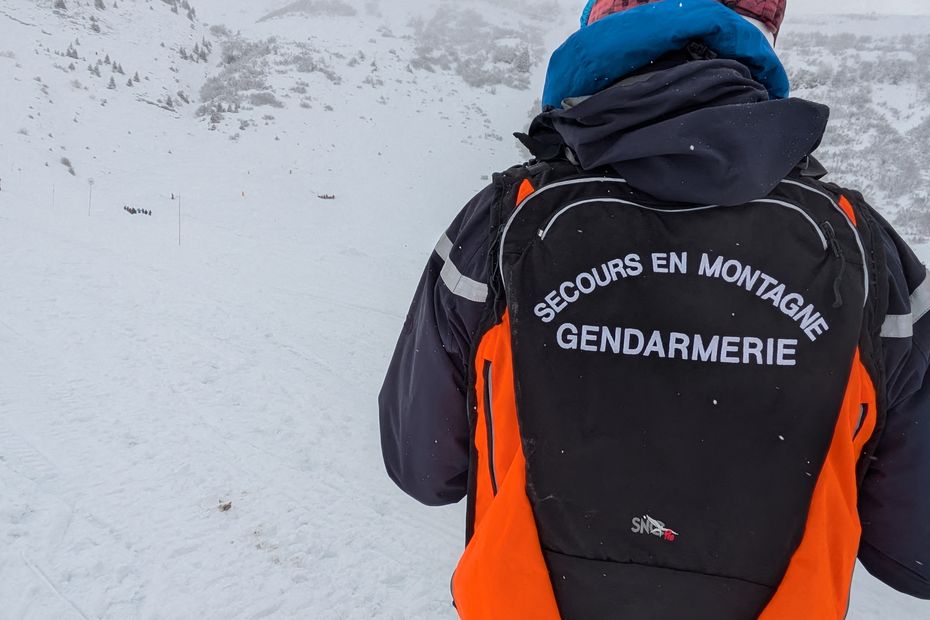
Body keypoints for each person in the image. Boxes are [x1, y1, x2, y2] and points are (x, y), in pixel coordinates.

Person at [379, 1, 930, 617]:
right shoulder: (860, 248)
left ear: (602, 26)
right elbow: (915, 549)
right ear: (758, 38)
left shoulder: (504, 220)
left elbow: (422, 466)